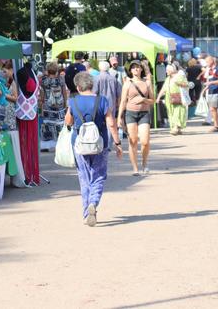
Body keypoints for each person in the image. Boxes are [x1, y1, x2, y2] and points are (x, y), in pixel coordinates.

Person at [65, 72, 122, 226]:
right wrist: (117, 143)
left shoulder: (73, 101)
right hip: (100, 144)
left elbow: (68, 122)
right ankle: (94, 203)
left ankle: (86, 213)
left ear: (78, 86)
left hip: (79, 144)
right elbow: (111, 123)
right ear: (92, 85)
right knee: (98, 176)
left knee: (84, 178)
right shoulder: (102, 100)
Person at [118, 60, 155, 175]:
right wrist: (119, 116)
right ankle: (135, 168)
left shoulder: (147, 83)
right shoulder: (127, 83)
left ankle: (144, 163)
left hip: (144, 113)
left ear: (141, 69)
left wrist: (143, 100)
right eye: (133, 68)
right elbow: (123, 101)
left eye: (138, 67)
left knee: (145, 142)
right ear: (130, 70)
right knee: (133, 141)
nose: (136, 69)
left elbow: (153, 100)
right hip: (130, 113)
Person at [39, 62, 68, 150]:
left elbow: (42, 94)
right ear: (56, 70)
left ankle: (47, 144)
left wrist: (42, 105)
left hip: (48, 104)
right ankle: (60, 142)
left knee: (48, 123)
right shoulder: (61, 79)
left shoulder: (44, 81)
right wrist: (65, 103)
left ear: (48, 70)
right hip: (59, 104)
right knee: (59, 123)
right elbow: (64, 92)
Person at [93, 61, 121, 145]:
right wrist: (118, 105)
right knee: (111, 124)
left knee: (99, 123)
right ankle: (108, 143)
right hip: (111, 103)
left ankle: (100, 141)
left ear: (99, 68)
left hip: (99, 104)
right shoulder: (114, 79)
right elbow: (119, 94)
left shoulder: (96, 78)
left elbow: (94, 93)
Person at [155, 64, 189, 135]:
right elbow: (163, 89)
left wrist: (180, 84)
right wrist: (158, 98)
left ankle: (176, 127)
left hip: (178, 97)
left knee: (178, 112)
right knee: (171, 114)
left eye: (167, 70)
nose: (166, 72)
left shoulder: (179, 77)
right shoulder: (167, 79)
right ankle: (177, 128)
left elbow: (187, 85)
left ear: (172, 70)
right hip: (169, 99)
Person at [201, 56, 218, 132]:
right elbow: (210, 81)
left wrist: (210, 82)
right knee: (212, 109)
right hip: (211, 91)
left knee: (213, 109)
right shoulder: (210, 70)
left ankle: (216, 126)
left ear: (212, 61)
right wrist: (205, 89)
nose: (206, 64)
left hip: (216, 91)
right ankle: (216, 126)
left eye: (207, 62)